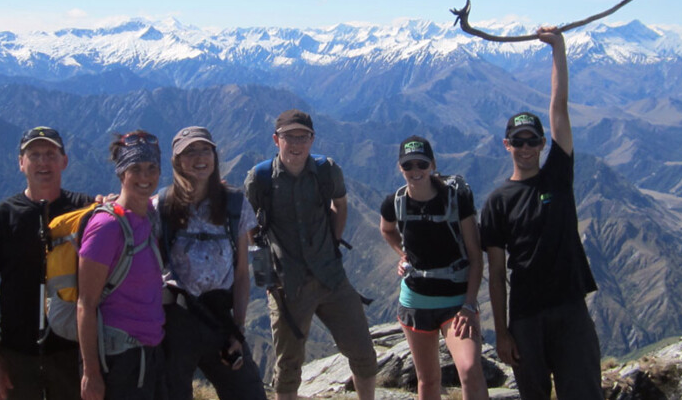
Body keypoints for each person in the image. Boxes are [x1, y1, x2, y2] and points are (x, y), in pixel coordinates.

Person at [479, 27, 602, 399]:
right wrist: (501, 332)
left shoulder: (558, 176)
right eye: (519, 141)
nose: (527, 147)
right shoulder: (497, 202)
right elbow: (497, 275)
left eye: (534, 140)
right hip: (526, 317)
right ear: (507, 145)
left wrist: (558, 50)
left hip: (570, 308)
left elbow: (558, 107)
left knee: (582, 392)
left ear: (543, 142)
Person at [244, 109, 378, 400]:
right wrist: (265, 273)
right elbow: (250, 228)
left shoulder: (327, 171)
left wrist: (332, 244)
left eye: (302, 137)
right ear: (275, 139)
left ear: (312, 139)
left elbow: (340, 206)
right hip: (287, 286)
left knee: (364, 352)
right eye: (288, 137)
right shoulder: (260, 179)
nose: (296, 144)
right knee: (288, 368)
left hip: (331, 278)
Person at [0, 126, 93, 400]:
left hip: (72, 354)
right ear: (21, 163)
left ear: (64, 161)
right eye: (34, 154)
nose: (42, 162)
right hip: (17, 357)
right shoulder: (0, 218)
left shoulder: (86, 211)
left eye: (51, 154)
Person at [156, 126, 267, 400]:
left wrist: (238, 331)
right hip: (176, 321)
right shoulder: (161, 205)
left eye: (205, 150)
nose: (199, 157)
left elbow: (242, 273)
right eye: (189, 152)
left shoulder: (234, 205)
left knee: (248, 392)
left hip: (219, 318)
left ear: (215, 156)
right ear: (177, 161)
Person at [380, 136, 489, 400]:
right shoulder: (394, 202)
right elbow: (386, 229)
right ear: (400, 168)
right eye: (409, 166)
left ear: (433, 165)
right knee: (427, 381)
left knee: (470, 369)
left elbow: (476, 256)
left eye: (421, 164)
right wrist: (403, 254)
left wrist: (470, 304)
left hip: (456, 301)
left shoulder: (455, 199)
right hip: (415, 302)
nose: (415, 171)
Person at [77, 130, 167, 400]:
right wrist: (91, 373)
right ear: (121, 173)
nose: (145, 176)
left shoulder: (150, 215)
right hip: (120, 359)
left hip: (150, 352)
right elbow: (86, 303)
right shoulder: (107, 227)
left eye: (152, 168)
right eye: (135, 168)